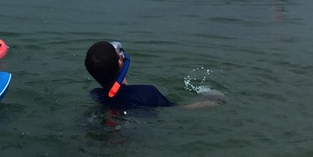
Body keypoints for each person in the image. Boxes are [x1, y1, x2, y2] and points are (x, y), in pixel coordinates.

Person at [84, 40, 224, 109]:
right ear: (120, 61)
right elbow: (178, 109)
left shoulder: (95, 95)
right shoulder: (148, 93)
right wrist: (210, 101)